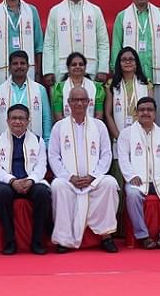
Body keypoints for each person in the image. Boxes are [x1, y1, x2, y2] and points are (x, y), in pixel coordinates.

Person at [47, 86, 119, 252]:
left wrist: (93, 176)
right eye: (75, 100)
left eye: (82, 100)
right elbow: (54, 156)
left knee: (110, 183)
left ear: (89, 102)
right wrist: (69, 177)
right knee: (58, 185)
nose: (79, 103)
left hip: (93, 180)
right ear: (68, 103)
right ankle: (64, 240)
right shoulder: (59, 127)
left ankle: (106, 236)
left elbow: (106, 155)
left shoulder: (99, 126)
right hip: (70, 181)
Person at [117, 94, 160, 248]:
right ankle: (143, 235)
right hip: (137, 179)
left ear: (155, 113)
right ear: (136, 112)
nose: (146, 113)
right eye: (142, 110)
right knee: (132, 195)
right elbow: (123, 158)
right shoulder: (126, 134)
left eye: (149, 110)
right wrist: (131, 176)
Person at [0, 103, 53, 255]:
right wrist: (12, 181)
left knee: (43, 193)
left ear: (28, 121)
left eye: (21, 118)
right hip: (8, 183)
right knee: (1, 193)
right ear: (7, 121)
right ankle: (9, 241)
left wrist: (30, 180)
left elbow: (41, 167)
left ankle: (37, 241)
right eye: (14, 118)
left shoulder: (38, 141)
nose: (17, 122)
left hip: (30, 182)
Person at [42, 0, 107, 88]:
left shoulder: (95, 10)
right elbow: (48, 44)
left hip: (90, 70)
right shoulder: (55, 11)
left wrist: (103, 69)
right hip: (62, 70)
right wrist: (48, 70)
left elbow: (103, 42)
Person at [0, 50, 50, 144]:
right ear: (9, 67)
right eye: (15, 63)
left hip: (34, 147)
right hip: (4, 147)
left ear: (28, 66)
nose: (19, 66)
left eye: (22, 63)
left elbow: (46, 119)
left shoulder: (40, 90)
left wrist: (45, 144)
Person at [48, 51, 108, 127]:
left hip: (91, 129)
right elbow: (58, 117)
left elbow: (99, 116)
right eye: (74, 64)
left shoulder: (96, 87)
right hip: (67, 130)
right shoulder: (59, 88)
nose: (77, 66)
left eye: (81, 64)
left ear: (85, 67)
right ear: (68, 68)